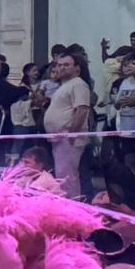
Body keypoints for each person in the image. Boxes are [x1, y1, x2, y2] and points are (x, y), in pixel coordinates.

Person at [43, 49, 92, 197]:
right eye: (59, 65)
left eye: (66, 65)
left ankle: (72, 205)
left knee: (67, 176)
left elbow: (81, 110)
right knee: (62, 174)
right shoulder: (65, 85)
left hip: (68, 138)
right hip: (59, 138)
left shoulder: (78, 84)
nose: (61, 68)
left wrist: (72, 134)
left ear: (77, 68)